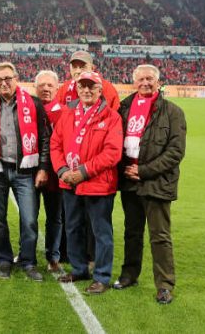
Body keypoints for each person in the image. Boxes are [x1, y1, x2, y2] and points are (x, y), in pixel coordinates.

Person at [114, 64, 186, 305]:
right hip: (128, 181)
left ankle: (165, 285)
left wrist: (143, 171)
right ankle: (129, 275)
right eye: (140, 79)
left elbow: (175, 152)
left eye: (149, 79)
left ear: (158, 82)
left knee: (160, 235)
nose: (145, 83)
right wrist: (126, 170)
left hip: (155, 182)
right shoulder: (123, 107)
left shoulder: (172, 112)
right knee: (132, 232)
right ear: (134, 82)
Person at [50, 71, 123, 295]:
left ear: (100, 90)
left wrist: (83, 171)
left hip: (98, 184)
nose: (87, 90)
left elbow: (112, 152)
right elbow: (55, 144)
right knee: (73, 229)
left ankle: (101, 276)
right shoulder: (68, 114)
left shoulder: (112, 117)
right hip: (69, 183)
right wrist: (62, 171)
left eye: (91, 86)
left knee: (101, 232)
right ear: (77, 89)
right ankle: (80, 268)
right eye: (82, 86)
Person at [0, 62, 50, 282]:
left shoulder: (34, 103)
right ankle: (4, 260)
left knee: (29, 219)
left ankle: (28, 261)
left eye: (8, 78)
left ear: (16, 78)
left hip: (25, 171)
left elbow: (44, 138)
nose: (4, 83)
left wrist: (42, 168)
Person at [34, 70, 64, 273]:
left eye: (50, 85)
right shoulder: (29, 109)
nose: (45, 88)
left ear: (57, 88)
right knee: (29, 216)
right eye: (42, 85)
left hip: (55, 175)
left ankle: (53, 256)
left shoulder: (64, 112)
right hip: (30, 173)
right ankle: (27, 253)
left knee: (55, 216)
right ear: (35, 88)